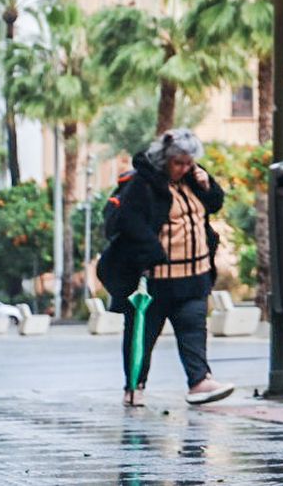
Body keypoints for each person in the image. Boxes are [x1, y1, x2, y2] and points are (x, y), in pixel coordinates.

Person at [97, 129, 234, 407]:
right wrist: (153, 255)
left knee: (194, 331)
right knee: (142, 336)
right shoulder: (144, 184)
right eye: (178, 163)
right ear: (165, 159)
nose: (184, 168)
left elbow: (214, 204)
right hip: (156, 281)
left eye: (189, 163)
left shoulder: (193, 178)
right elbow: (129, 222)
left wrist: (208, 185)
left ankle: (199, 382)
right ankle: (134, 386)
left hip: (195, 277)